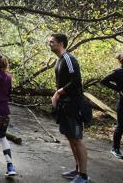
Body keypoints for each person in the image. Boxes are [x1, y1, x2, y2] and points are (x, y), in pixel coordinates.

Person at [49, 33, 89, 183]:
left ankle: (84, 176)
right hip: (65, 105)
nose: (49, 44)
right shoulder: (59, 60)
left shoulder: (68, 59)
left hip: (74, 105)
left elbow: (76, 81)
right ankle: (78, 170)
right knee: (71, 138)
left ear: (61, 43)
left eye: (52, 42)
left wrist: (58, 93)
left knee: (77, 139)